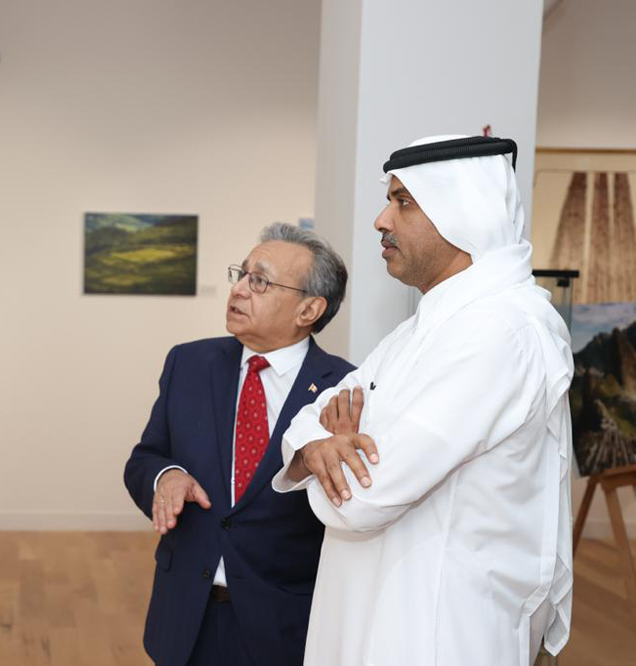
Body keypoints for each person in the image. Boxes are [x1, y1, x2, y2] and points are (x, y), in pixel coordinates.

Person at [273, 135, 574, 665]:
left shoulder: (501, 332)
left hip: (440, 627)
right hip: (378, 612)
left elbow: (367, 497)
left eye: (402, 202)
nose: (381, 220)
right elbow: (311, 417)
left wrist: (326, 447)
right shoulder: (425, 327)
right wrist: (318, 444)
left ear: (464, 213)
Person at [124, 223, 354, 666]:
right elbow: (144, 458)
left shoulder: (343, 388)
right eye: (242, 274)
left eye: (261, 281)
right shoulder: (188, 363)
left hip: (283, 622)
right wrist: (165, 476)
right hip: (185, 614)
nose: (240, 290)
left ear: (309, 309)